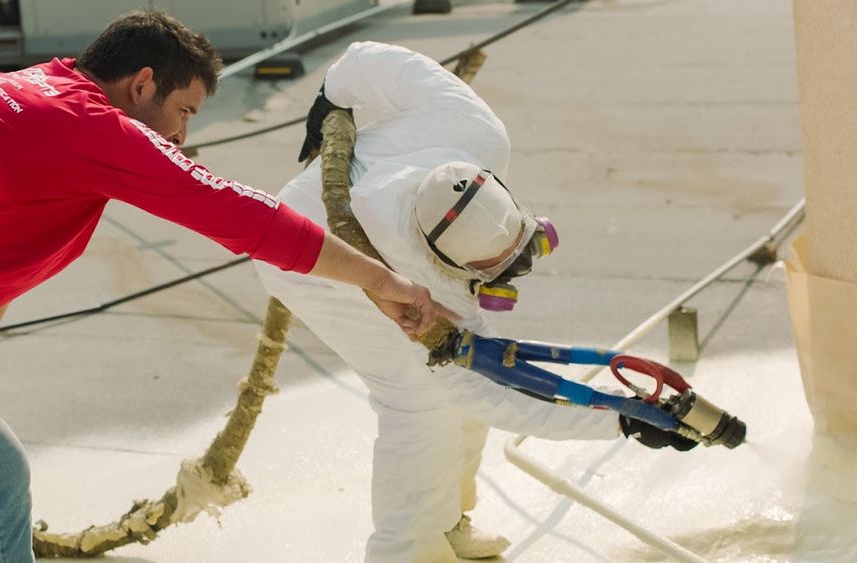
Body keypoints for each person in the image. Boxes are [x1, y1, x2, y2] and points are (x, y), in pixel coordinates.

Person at [0, 12, 454, 563]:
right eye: (187, 110)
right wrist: (382, 280)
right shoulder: (91, 127)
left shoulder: (32, 95)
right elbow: (243, 214)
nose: (181, 133)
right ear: (142, 85)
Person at [255, 41, 697, 562]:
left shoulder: (473, 133)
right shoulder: (424, 286)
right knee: (419, 402)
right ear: (445, 265)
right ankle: (408, 552)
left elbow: (366, 58)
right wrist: (618, 419)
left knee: (455, 385)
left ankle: (450, 525)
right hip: (303, 257)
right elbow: (492, 391)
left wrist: (333, 94)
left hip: (364, 200)